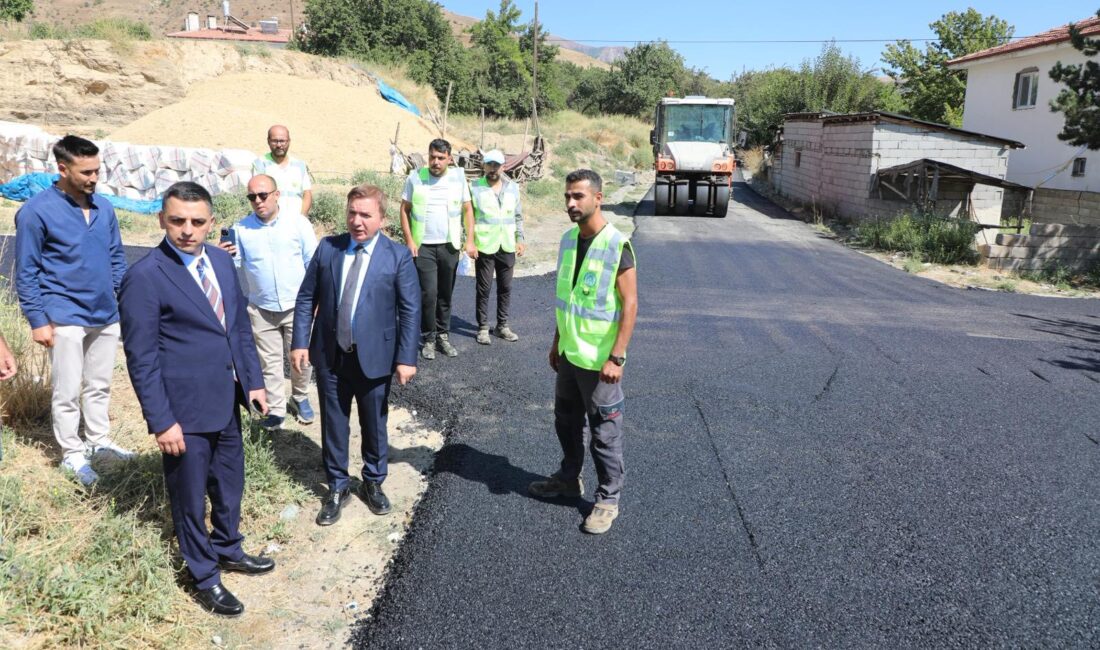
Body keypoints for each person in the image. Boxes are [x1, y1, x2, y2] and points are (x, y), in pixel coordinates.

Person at [118, 182, 274, 617]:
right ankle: (204, 575)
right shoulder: (145, 276)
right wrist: (160, 420)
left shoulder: (222, 263)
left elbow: (238, 328)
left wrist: (254, 382)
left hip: (226, 401)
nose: (187, 230)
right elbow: (142, 357)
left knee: (228, 485)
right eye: (177, 221)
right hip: (183, 412)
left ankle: (228, 547)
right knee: (188, 497)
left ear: (210, 222)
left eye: (197, 221)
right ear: (162, 220)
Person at [291, 184, 420, 526]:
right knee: (333, 423)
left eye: (366, 215)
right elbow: (307, 298)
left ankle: (373, 482)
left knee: (373, 423)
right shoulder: (328, 249)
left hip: (375, 357)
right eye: (352, 213)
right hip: (331, 355)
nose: (357, 221)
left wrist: (407, 358)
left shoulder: (397, 256)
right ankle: (337, 485)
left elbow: (410, 310)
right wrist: (300, 342)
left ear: (382, 218)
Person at [15, 135, 130, 486]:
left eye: (97, 170)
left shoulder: (104, 208)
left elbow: (116, 258)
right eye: (87, 172)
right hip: (63, 314)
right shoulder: (36, 211)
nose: (95, 178)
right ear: (62, 168)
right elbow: (26, 271)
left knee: (99, 384)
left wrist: (122, 300)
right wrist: (38, 320)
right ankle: (71, 453)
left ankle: (98, 441)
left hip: (105, 313)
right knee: (67, 389)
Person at [529, 169, 638, 536]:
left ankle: (607, 498)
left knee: (604, 433)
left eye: (578, 196)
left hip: (600, 363)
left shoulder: (616, 244)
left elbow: (631, 304)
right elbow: (569, 298)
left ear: (597, 198)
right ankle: (568, 477)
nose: (571, 204)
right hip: (570, 355)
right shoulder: (566, 240)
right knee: (566, 421)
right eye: (567, 197)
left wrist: (617, 357)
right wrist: (557, 340)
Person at [219, 174, 318, 430]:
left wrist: (316, 300)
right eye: (252, 197)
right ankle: (276, 409)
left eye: (263, 195)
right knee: (269, 362)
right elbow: (234, 264)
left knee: (301, 359)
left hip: (297, 306)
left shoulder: (298, 224)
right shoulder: (241, 229)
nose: (258, 201)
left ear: (277, 194)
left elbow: (313, 263)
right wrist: (223, 255)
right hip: (261, 308)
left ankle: (300, 397)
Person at [399, 138, 475, 360]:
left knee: (445, 294)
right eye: (432, 157)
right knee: (428, 294)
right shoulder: (416, 178)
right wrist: (410, 241)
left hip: (449, 246)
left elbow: (468, 210)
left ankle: (443, 336)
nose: (435, 162)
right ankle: (429, 338)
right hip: (424, 247)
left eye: (441, 158)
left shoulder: (458, 178)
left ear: (449, 159)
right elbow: (404, 210)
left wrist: (469, 240)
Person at [469, 149, 526, 345]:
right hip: (485, 245)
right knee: (483, 288)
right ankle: (483, 328)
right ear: (484, 165)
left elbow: (517, 216)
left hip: (507, 244)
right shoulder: (475, 187)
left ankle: (502, 326)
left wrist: (520, 239)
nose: (493, 169)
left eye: (497, 165)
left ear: (503, 166)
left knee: (506, 287)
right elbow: (468, 218)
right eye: (489, 164)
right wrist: (469, 241)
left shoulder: (513, 187)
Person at [252, 125, 313, 217]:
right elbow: (257, 195)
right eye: (275, 141)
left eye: (282, 141)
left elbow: (307, 194)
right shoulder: (260, 164)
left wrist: (301, 218)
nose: (279, 145)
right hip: (271, 222)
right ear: (268, 141)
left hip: (296, 221)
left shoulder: (299, 165)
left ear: (289, 141)